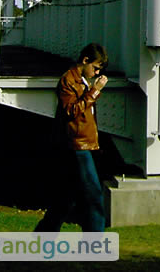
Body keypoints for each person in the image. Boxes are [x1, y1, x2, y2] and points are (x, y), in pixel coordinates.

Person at [35, 43, 109, 232]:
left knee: (66, 198)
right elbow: (72, 111)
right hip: (77, 145)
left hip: (83, 144)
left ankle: (43, 237)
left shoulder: (82, 81)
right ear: (85, 60)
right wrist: (95, 91)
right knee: (94, 196)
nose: (97, 72)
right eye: (95, 67)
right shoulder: (68, 80)